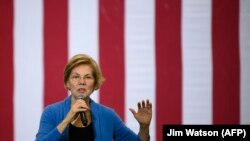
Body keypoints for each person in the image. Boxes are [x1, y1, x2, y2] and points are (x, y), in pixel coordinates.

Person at [35, 53, 152, 141]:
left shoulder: (108, 115)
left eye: (88, 77)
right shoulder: (51, 112)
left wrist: (144, 127)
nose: (82, 82)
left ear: (95, 84)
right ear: (67, 83)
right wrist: (67, 120)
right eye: (76, 77)